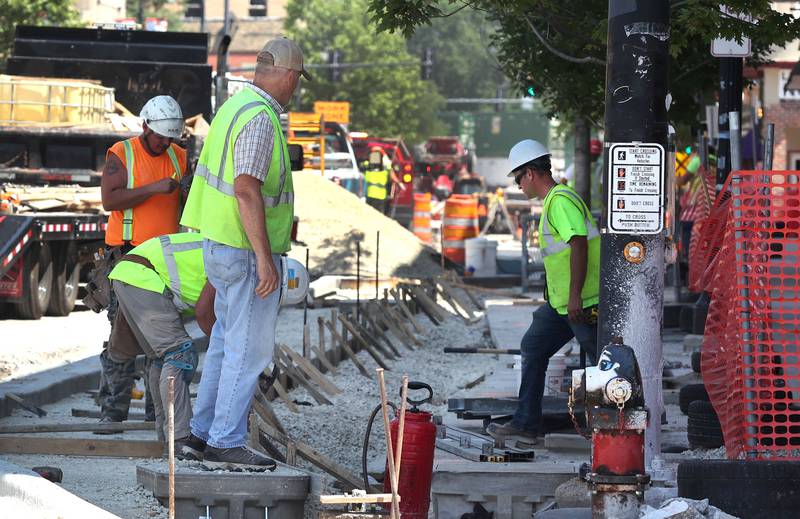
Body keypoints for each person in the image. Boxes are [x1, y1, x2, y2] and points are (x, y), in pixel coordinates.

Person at [179, 37, 310, 470]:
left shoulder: (233, 109)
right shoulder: (260, 118)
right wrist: (264, 257)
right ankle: (225, 440)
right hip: (243, 251)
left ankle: (200, 435)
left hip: (220, 244)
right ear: (289, 76)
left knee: (222, 343)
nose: (295, 89)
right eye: (297, 81)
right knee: (249, 351)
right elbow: (246, 188)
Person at [487, 139, 600, 447]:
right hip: (561, 305)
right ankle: (526, 424)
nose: (517, 184)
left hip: (582, 302)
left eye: (518, 177)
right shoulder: (554, 201)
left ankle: (616, 427)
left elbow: (578, 244)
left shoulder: (560, 201)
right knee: (534, 347)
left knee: (603, 361)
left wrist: (575, 295)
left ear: (531, 173)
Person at [97, 95, 189, 427]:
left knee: (159, 339)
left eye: (170, 136)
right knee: (121, 337)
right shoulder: (122, 154)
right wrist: (153, 188)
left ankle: (156, 415)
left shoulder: (179, 156)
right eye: (160, 135)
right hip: (128, 257)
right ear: (145, 126)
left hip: (164, 262)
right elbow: (110, 200)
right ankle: (113, 411)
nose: (165, 142)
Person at [105, 232, 215, 450]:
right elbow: (205, 314)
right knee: (180, 352)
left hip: (131, 274)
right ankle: (181, 437)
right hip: (143, 277)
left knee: (160, 358)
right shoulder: (232, 262)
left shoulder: (232, 251)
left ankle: (166, 437)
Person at [365, 146, 402, 214]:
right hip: (380, 196)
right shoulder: (386, 165)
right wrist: (399, 184)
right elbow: (393, 177)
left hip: (368, 195)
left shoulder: (366, 164)